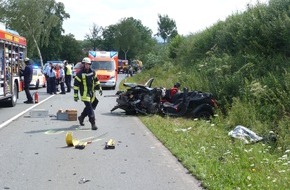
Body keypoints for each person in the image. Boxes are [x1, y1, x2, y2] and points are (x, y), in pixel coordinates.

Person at [73, 57, 102, 130]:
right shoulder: (79, 74)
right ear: (83, 64)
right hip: (84, 94)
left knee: (94, 103)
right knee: (90, 109)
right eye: (85, 64)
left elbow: (96, 81)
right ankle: (93, 124)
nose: (87, 66)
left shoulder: (93, 72)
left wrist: (99, 88)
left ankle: (81, 117)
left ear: (90, 65)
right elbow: (76, 85)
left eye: (88, 64)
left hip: (92, 93)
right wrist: (76, 95)